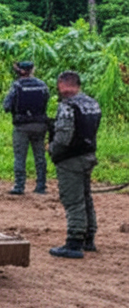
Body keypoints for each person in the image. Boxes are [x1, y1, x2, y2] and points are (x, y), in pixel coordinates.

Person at [48, 71, 101, 259]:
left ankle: (74, 242)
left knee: (73, 199)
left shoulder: (67, 106)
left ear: (63, 84)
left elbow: (63, 136)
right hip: (88, 154)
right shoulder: (91, 103)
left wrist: (52, 149)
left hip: (70, 159)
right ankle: (89, 237)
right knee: (86, 196)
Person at [1, 61, 51, 195]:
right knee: (40, 156)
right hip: (40, 124)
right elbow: (46, 100)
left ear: (20, 71)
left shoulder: (17, 86)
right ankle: (41, 186)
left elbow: (6, 106)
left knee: (20, 156)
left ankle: (19, 186)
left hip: (22, 125)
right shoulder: (42, 85)